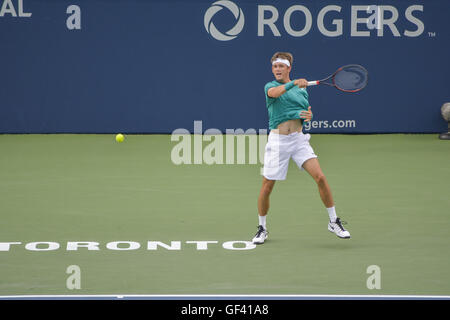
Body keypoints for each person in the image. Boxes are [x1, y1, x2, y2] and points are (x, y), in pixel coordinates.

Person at [252, 52, 350, 244]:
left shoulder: (302, 91)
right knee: (267, 186)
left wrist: (307, 116)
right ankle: (262, 228)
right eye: (274, 67)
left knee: (320, 177)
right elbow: (276, 94)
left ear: (289, 68)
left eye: (281, 66)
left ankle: (333, 221)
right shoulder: (271, 87)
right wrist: (293, 83)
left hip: (298, 141)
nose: (277, 70)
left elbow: (303, 112)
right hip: (278, 142)